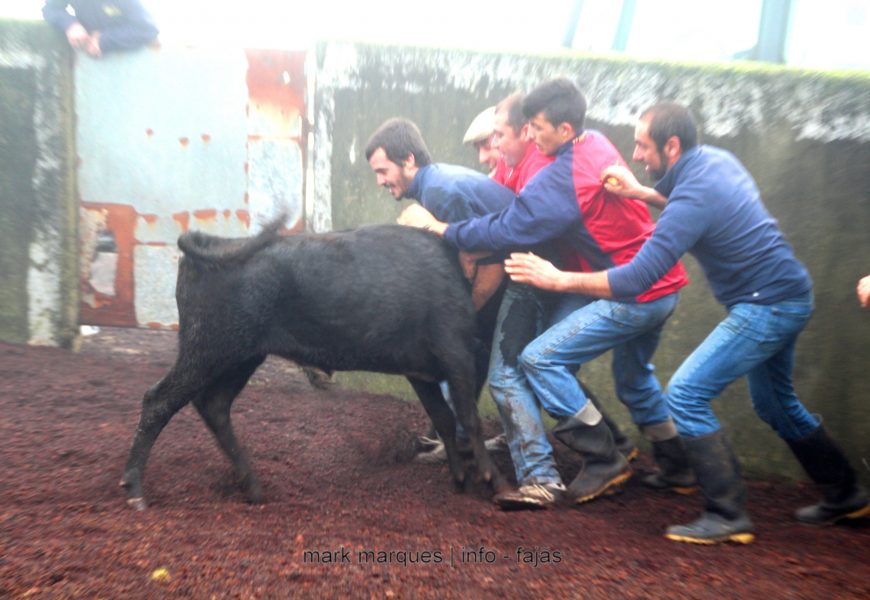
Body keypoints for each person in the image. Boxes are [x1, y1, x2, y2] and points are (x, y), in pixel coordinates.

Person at [505, 102, 870, 543]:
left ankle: (727, 514)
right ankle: (846, 492)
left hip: (766, 306)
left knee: (687, 392)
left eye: (642, 146)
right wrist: (641, 193)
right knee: (775, 405)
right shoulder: (716, 162)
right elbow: (688, 203)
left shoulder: (693, 196)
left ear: (671, 146)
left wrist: (559, 278)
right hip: (790, 294)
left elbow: (637, 277)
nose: (635, 155)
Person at [399, 79, 692, 509]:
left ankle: (599, 458)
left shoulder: (561, 176)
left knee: (539, 359)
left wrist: (444, 229)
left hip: (631, 290)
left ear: (565, 129)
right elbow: (504, 189)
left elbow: (510, 226)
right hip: (653, 280)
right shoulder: (588, 143)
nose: (529, 137)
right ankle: (676, 466)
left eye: (531, 129)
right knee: (632, 382)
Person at [365, 117, 512, 461]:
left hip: (527, 280)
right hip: (515, 278)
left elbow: (491, 263)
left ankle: (602, 446)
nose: (379, 181)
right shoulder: (434, 187)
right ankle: (457, 439)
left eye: (383, 170)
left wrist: (463, 315)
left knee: (494, 362)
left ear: (409, 161)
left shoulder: (441, 192)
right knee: (468, 352)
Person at [43, 0, 159, 58]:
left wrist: (104, 40)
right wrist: (70, 24)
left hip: (126, 60)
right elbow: (50, 8)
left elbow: (148, 29)